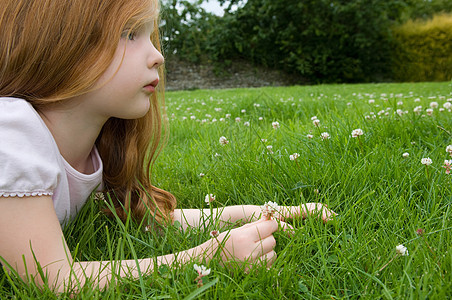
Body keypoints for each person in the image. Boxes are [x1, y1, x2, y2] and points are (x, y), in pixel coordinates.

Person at [0, 0, 335, 293]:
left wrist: (257, 213)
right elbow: (54, 280)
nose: (157, 56)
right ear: (60, 44)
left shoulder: (93, 146)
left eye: (151, 35)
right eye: (130, 33)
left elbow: (147, 219)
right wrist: (205, 257)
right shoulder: (12, 129)